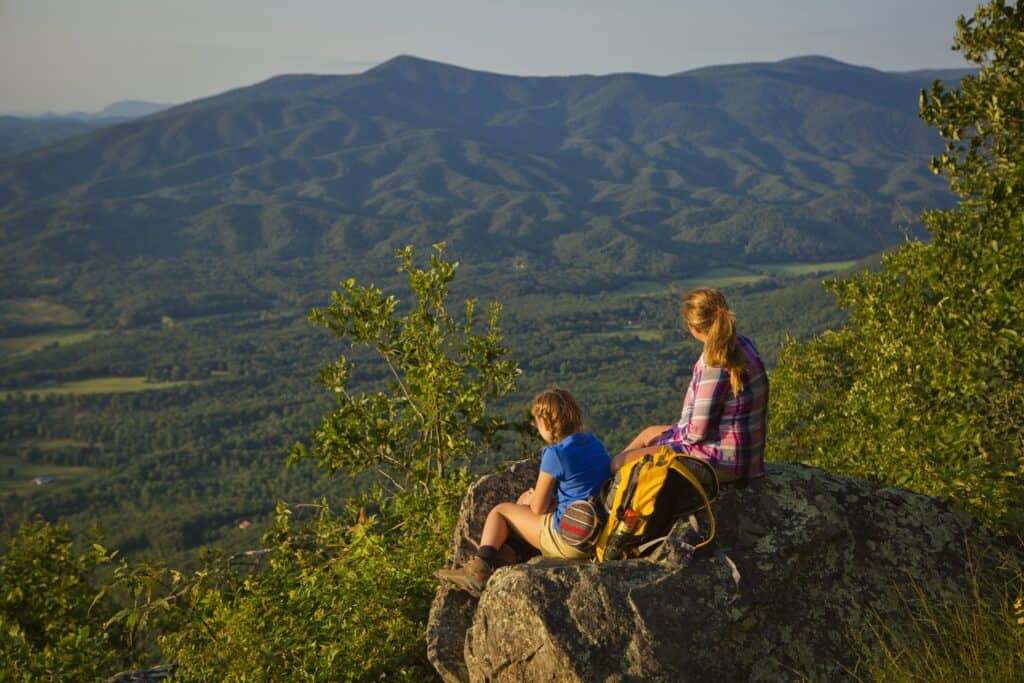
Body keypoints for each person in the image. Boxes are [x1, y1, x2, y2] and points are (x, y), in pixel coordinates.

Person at [437, 388, 611, 595]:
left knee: (501, 511)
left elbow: (537, 509)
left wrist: (530, 497)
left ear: (545, 423)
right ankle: (507, 556)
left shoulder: (555, 454)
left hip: (571, 541)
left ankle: (479, 567)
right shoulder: (593, 442)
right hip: (597, 533)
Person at [613, 288, 768, 483]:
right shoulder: (744, 344)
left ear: (694, 328)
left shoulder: (713, 363)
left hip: (719, 462)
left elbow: (696, 433)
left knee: (619, 463)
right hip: (748, 458)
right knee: (649, 432)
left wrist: (668, 440)